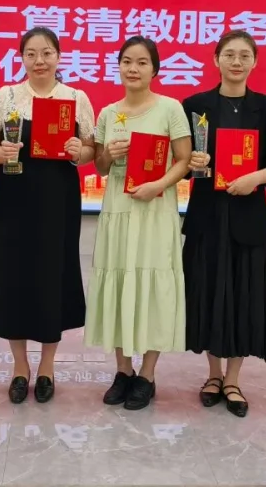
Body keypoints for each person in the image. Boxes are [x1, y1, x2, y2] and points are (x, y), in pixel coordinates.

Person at [0, 27, 96, 404]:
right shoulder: (7, 96)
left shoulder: (75, 98)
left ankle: (47, 366)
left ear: (59, 56)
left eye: (46, 53)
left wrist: (79, 150)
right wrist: (2, 153)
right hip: (13, 196)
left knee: (52, 274)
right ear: (22, 58)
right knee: (13, 275)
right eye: (31, 54)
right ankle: (19, 367)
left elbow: (91, 151)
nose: (39, 61)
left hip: (57, 199)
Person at [182, 30, 266, 417]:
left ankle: (233, 379)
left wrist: (255, 178)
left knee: (244, 295)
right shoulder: (195, 105)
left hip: (248, 216)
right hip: (207, 215)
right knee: (208, 293)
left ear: (255, 62)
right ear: (216, 60)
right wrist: (191, 163)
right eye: (229, 54)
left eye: (245, 55)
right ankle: (213, 375)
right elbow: (181, 162)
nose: (237, 61)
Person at [85, 36, 192, 411]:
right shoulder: (108, 113)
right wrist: (108, 155)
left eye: (142, 62)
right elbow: (99, 167)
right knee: (118, 282)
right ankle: (123, 371)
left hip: (155, 209)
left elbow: (183, 159)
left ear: (154, 69)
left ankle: (146, 374)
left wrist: (158, 185)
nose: (133, 68)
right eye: (127, 61)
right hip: (118, 208)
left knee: (150, 284)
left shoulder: (170, 108)